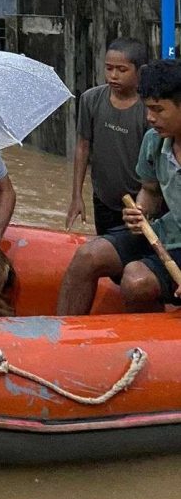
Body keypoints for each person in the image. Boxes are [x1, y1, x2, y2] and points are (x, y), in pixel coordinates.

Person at [57, 60, 181, 315]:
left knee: (136, 281)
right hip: (167, 231)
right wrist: (140, 211)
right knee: (87, 257)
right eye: (147, 109)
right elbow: (151, 189)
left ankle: (153, 346)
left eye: (158, 109)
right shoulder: (154, 141)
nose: (150, 118)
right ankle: (62, 340)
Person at [66, 38, 149, 234]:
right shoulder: (91, 100)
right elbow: (83, 146)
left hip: (140, 202)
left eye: (122, 70)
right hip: (103, 198)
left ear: (140, 71)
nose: (113, 76)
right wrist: (76, 195)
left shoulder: (149, 109)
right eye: (109, 68)